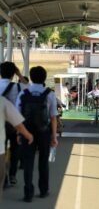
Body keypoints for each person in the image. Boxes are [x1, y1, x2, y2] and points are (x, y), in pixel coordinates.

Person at [16, 66, 58, 202]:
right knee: (43, 162)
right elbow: (53, 118)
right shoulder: (50, 94)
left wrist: (19, 133)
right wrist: (54, 137)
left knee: (28, 163)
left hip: (27, 132)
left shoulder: (23, 93)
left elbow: (18, 116)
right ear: (44, 78)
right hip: (44, 132)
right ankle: (43, 190)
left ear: (31, 77)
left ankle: (28, 193)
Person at [0, 62, 28, 186]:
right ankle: (12, 175)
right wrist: (19, 75)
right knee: (15, 149)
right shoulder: (18, 87)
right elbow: (29, 87)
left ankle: (4, 176)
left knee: (2, 149)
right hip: (14, 123)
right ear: (13, 74)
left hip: (1, 122)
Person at [0, 96, 33, 201]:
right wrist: (28, 135)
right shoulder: (3, 101)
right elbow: (18, 124)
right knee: (14, 153)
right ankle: (12, 176)